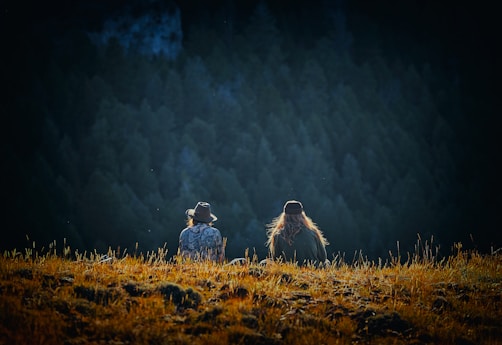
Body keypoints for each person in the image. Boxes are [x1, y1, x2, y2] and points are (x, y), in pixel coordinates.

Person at [266, 200, 329, 267]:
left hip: (289, 270)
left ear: (284, 215)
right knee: (327, 262)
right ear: (302, 215)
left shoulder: (278, 234)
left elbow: (276, 259)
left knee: (264, 262)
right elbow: (323, 257)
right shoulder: (313, 232)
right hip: (314, 270)